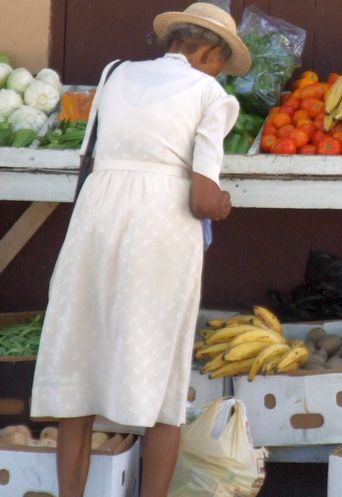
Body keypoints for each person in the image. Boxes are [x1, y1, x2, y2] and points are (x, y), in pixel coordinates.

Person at [29, 4, 250, 497]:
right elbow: (201, 195)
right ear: (210, 53)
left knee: (77, 373)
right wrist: (222, 205)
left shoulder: (115, 74)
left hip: (96, 218)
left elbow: (92, 153)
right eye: (219, 62)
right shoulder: (209, 94)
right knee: (162, 390)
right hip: (160, 228)